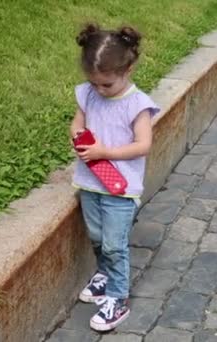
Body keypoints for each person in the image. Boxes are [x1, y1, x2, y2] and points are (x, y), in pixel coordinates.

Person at [69, 23, 159, 331]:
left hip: (121, 190)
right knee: (97, 237)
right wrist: (78, 137)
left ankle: (118, 298)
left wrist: (104, 151)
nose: (99, 90)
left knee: (114, 244)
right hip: (91, 181)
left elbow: (143, 145)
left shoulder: (138, 105)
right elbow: (78, 123)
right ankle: (104, 274)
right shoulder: (90, 95)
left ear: (129, 68)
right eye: (94, 84)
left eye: (106, 85)